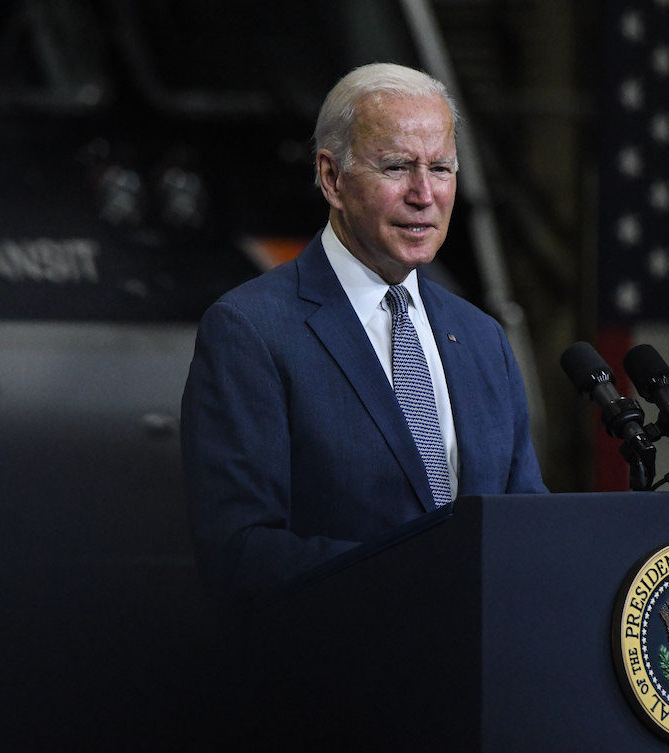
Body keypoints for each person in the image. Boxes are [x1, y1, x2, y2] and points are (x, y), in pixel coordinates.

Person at [180, 63, 547, 601]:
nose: (424, 194)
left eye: (441, 168)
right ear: (332, 178)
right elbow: (240, 553)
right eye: (397, 167)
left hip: (481, 654)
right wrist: (420, 580)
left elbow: (528, 525)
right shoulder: (251, 331)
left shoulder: (482, 338)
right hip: (341, 651)